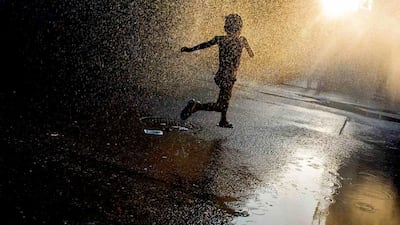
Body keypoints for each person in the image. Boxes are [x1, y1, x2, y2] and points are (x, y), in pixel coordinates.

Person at [180, 13, 254, 128]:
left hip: (221, 75)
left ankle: (223, 120)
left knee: (225, 98)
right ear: (240, 28)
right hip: (228, 76)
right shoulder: (242, 40)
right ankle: (196, 106)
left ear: (226, 28)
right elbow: (251, 54)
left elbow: (204, 45)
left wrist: (189, 49)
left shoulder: (220, 39)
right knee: (221, 104)